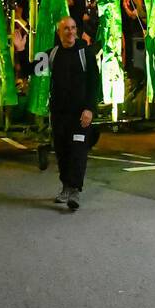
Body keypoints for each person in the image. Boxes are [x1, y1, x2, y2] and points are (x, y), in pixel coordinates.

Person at [49, 16, 101, 212]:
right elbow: (34, 68)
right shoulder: (53, 53)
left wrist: (90, 108)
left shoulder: (85, 53)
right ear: (59, 32)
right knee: (62, 151)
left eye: (73, 28)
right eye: (66, 29)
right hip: (59, 113)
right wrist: (19, 49)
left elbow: (94, 82)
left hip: (80, 114)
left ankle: (75, 191)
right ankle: (66, 187)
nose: (70, 32)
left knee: (78, 151)